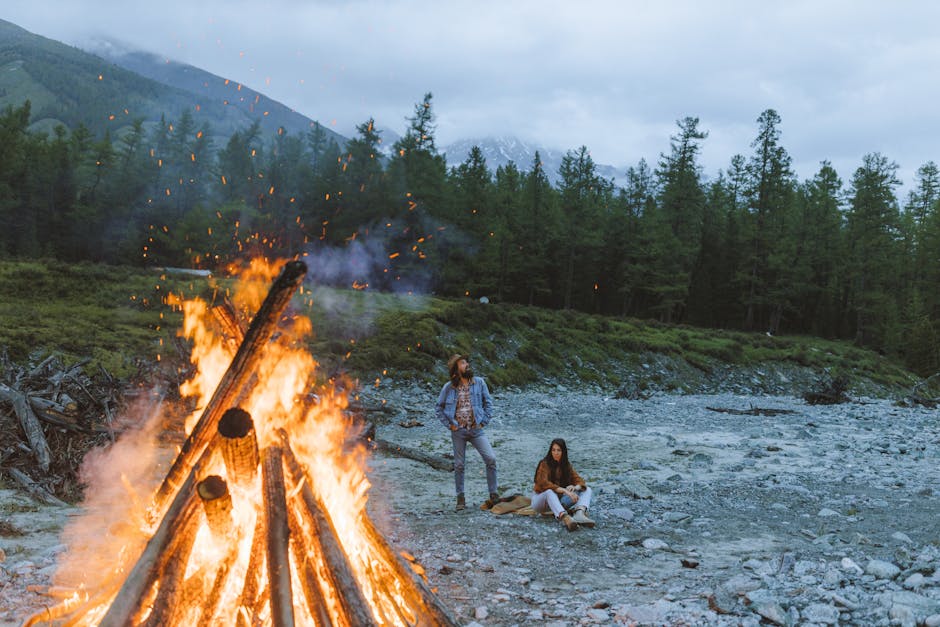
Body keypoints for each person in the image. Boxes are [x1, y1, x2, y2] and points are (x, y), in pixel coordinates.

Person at [435, 354, 498, 511]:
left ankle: (493, 494)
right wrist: (450, 425)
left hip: (476, 430)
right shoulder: (449, 387)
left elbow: (488, 403)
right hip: (459, 431)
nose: (467, 365)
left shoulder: (479, 383)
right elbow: (438, 408)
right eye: (463, 363)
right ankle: (460, 498)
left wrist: (484, 421)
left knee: (490, 458)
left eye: (467, 362)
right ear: (456, 369)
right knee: (459, 465)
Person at [531, 438, 595, 531]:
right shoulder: (544, 464)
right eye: (553, 450)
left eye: (559, 450)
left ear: (563, 452)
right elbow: (544, 484)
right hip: (541, 502)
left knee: (587, 489)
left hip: (559, 501)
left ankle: (579, 514)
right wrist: (565, 490)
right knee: (549, 492)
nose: (556, 453)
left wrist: (574, 487)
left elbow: (579, 480)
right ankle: (566, 518)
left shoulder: (566, 465)